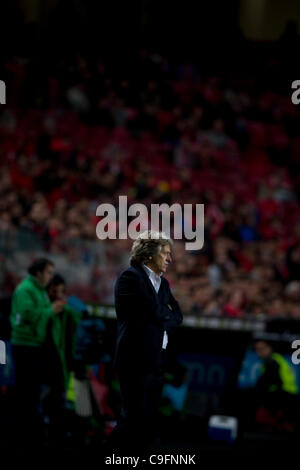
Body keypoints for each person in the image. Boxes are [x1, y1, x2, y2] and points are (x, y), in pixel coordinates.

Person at [108, 230, 183, 453]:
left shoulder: (164, 283)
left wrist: (161, 317)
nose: (170, 259)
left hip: (155, 361)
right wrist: (162, 315)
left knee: (149, 419)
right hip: (134, 360)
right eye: (166, 254)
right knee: (132, 418)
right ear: (149, 254)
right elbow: (148, 310)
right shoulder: (130, 277)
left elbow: (176, 315)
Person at [10, 258, 65, 447]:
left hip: (34, 344)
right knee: (26, 391)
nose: (50, 277)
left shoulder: (39, 290)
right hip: (25, 344)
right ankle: (23, 434)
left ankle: (30, 433)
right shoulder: (26, 290)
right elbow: (28, 316)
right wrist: (51, 309)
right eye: (48, 272)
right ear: (38, 272)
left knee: (32, 391)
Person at [43, 274, 81, 446]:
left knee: (62, 403)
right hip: (45, 364)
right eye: (54, 290)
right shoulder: (42, 308)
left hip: (64, 364)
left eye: (61, 291)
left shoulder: (68, 310)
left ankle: (60, 434)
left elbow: (79, 316)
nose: (58, 294)